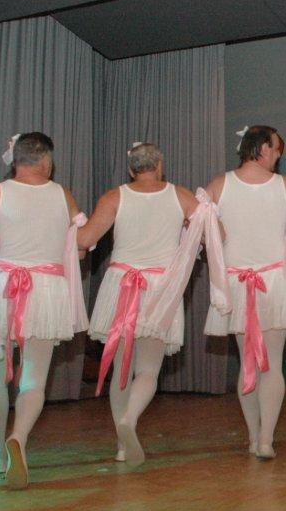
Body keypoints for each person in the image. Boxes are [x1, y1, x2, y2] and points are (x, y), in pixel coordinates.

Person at [77, 143, 197, 466]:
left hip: (121, 284)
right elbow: (212, 231)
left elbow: (85, 240)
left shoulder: (114, 197)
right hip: (160, 288)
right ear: (160, 166)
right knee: (148, 369)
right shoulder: (181, 196)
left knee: (122, 368)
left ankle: (121, 444)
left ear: (131, 170)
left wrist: (70, 227)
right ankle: (130, 419)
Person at [0, 132, 88, 489]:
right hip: (46, 290)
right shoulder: (63, 195)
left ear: (16, 159)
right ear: (46, 161)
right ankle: (19, 438)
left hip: (3, 288)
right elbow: (80, 248)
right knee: (34, 378)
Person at [204, 126, 286, 459]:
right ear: (264, 148)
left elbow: (197, 227)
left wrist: (220, 241)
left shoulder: (219, 185)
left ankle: (256, 437)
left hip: (239, 284)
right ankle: (265, 438)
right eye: (277, 149)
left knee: (248, 363)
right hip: (274, 282)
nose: (279, 155)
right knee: (272, 365)